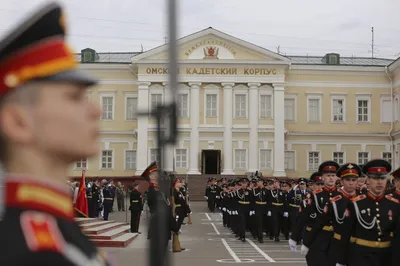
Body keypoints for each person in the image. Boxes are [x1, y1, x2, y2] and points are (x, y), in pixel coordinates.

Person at [0, 2, 113, 265]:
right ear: (18, 122)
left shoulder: (57, 234)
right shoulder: (35, 254)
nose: (95, 110)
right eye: (74, 97)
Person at [337, 159, 400, 266]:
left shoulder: (394, 204)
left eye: (383, 178)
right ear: (368, 180)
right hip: (361, 257)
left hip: (387, 257)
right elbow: (346, 234)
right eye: (375, 178)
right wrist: (341, 261)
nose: (379, 182)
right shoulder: (355, 203)